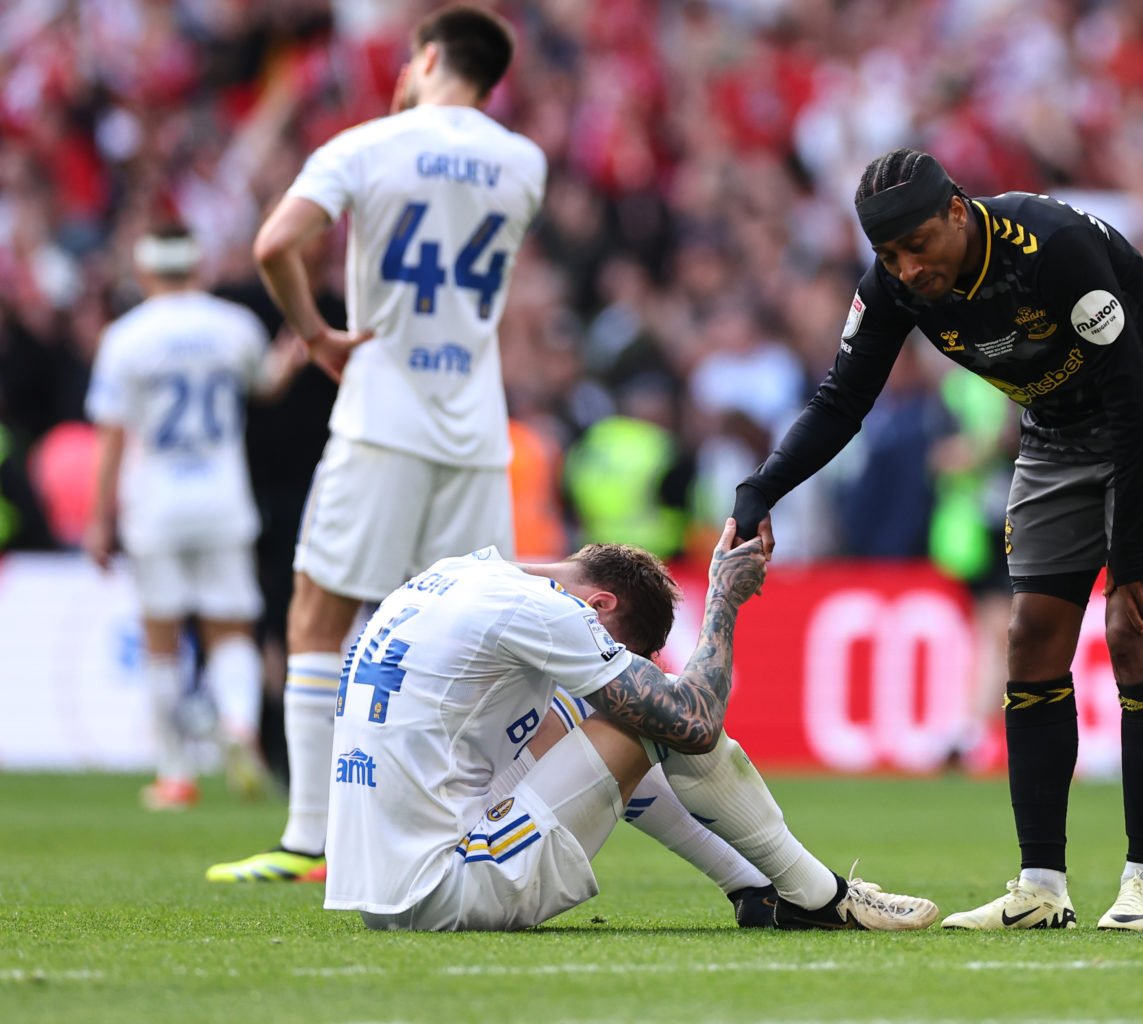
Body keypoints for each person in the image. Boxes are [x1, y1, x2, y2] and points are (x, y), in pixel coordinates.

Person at [731, 149, 1143, 932]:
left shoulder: (1052, 247)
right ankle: (1041, 889)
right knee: (1029, 642)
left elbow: (1129, 389)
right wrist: (761, 489)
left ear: (958, 211)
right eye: (889, 255)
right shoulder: (893, 287)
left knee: (1133, 631)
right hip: (1057, 431)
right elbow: (843, 398)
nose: (908, 268)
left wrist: (1128, 553)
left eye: (918, 244)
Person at [208, 6, 546, 881]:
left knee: (319, 610)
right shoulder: (524, 161)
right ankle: (475, 826)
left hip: (381, 417)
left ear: (427, 58)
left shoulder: (365, 145)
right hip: (474, 427)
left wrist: (315, 331)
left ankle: (310, 841)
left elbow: (276, 242)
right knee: (470, 632)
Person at [324, 522, 938, 931]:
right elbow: (693, 724)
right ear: (599, 606)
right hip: (448, 886)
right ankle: (820, 896)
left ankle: (756, 887)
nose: (604, 656)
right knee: (651, 717)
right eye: (611, 644)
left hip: (383, 891)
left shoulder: (456, 576)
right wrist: (722, 598)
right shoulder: (541, 609)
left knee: (592, 710)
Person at [84, 223, 303, 810]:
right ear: (196, 265)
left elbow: (112, 433)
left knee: (162, 635)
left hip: (154, 499)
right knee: (229, 627)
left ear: (146, 268)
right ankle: (238, 727)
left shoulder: (126, 336)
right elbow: (266, 386)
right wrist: (289, 358)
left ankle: (175, 771)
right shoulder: (232, 326)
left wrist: (98, 515)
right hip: (222, 499)